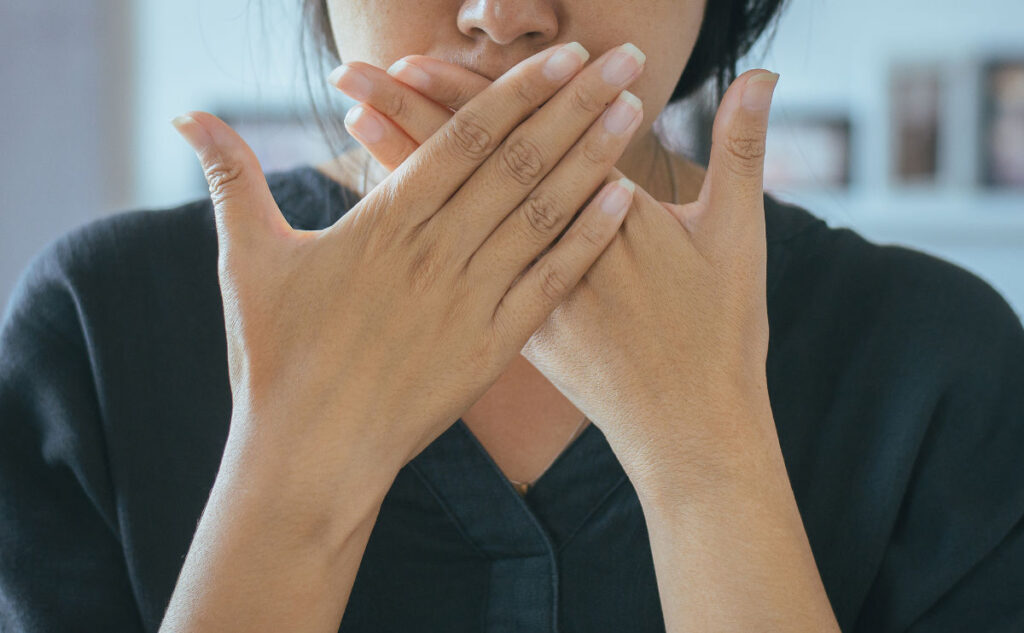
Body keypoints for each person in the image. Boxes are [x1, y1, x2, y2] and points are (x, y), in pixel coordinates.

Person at [1, 0, 1022, 631]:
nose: (504, 14)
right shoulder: (95, 328)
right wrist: (297, 462)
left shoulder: (937, 359)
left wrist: (705, 460)